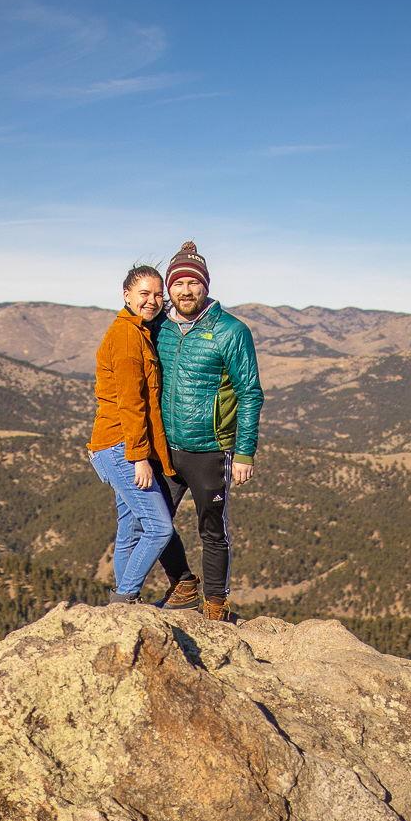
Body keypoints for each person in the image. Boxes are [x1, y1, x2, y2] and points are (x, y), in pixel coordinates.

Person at [152, 240, 263, 623]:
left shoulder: (230, 331)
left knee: (212, 529)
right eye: (178, 284)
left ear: (206, 286)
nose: (186, 291)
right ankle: (183, 582)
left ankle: (215, 604)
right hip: (165, 447)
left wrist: (244, 452)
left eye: (193, 283)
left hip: (210, 449)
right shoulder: (159, 328)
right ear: (169, 289)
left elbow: (250, 392)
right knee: (153, 522)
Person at [86, 264, 179, 603]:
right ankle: (125, 597)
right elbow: (131, 403)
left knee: (131, 527)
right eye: (144, 294)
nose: (152, 300)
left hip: (113, 444)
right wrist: (139, 457)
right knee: (159, 528)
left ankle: (123, 604)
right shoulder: (127, 337)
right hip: (121, 446)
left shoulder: (138, 331)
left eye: (157, 295)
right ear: (126, 295)